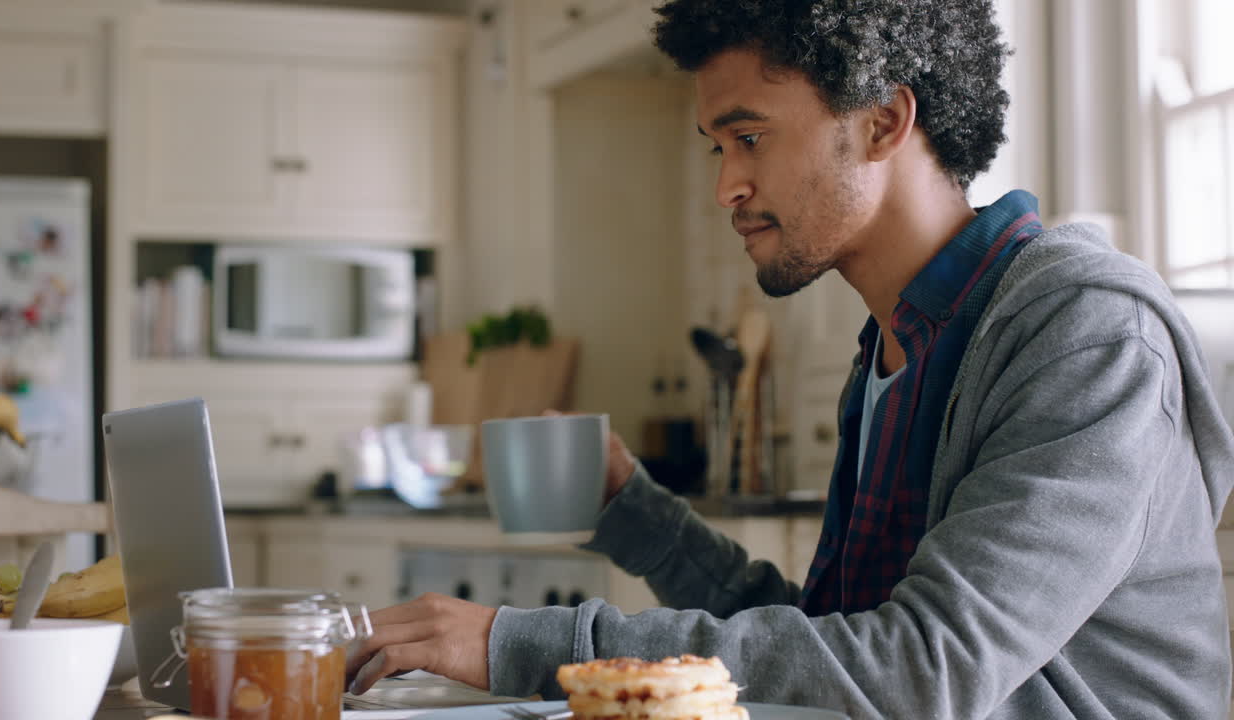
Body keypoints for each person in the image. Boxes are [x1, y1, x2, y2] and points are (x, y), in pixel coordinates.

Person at [345, 1, 1234, 717]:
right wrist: (637, 515)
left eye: (750, 138)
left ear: (884, 120)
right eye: (718, 148)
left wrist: (520, 643)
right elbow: (832, 651)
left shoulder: (1082, 331)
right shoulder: (896, 346)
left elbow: (923, 670)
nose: (724, 186)